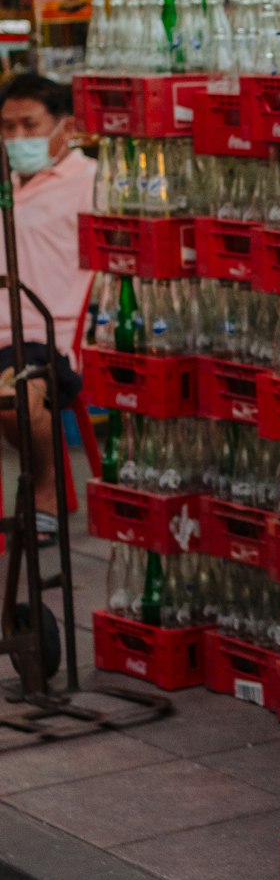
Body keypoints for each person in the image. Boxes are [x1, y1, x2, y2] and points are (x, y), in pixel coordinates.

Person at [0, 73, 96, 540]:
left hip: (47, 335)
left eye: (29, 125)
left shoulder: (91, 182)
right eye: (7, 127)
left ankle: (44, 487)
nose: (17, 138)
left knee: (15, 390)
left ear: (66, 127)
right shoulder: (3, 182)